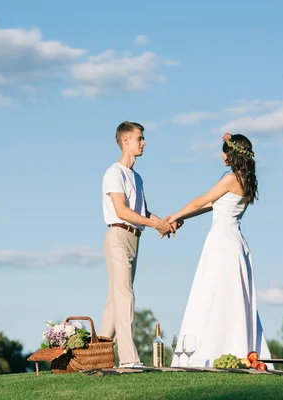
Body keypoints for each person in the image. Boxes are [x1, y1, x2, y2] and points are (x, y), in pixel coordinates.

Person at [167, 132, 272, 368]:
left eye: (224, 150)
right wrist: (183, 218)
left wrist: (173, 216)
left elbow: (199, 200)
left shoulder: (230, 178)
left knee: (215, 292)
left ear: (231, 154)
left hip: (222, 243)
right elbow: (210, 206)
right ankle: (238, 351)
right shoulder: (247, 179)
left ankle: (214, 351)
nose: (221, 155)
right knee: (227, 294)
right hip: (235, 243)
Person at [100, 121, 179, 368]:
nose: (143, 143)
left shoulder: (137, 177)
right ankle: (129, 359)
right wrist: (154, 225)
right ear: (126, 141)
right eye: (139, 138)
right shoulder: (114, 172)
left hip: (134, 239)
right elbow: (122, 210)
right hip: (118, 236)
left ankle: (97, 354)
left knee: (116, 298)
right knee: (125, 296)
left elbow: (142, 211)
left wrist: (165, 222)